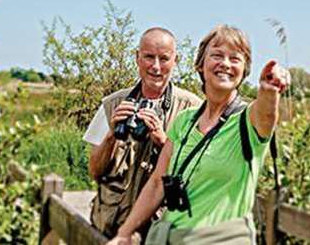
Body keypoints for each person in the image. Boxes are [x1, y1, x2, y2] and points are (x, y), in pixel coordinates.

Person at [107, 24, 291, 245]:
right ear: (201, 65)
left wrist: (269, 90)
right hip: (170, 236)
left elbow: (266, 114)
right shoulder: (184, 120)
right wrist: (124, 233)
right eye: (217, 55)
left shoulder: (246, 122)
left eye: (235, 58)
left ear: (244, 70)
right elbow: (157, 183)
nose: (225, 63)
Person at [84, 27, 202, 240]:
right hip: (110, 231)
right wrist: (111, 136)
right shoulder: (113, 104)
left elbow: (198, 177)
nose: (156, 67)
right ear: (137, 58)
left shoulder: (193, 109)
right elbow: (94, 171)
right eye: (148, 57)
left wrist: (163, 142)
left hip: (161, 235)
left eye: (164, 58)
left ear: (176, 60)